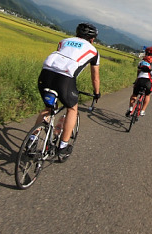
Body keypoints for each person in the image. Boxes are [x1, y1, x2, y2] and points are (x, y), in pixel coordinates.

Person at [32, 22, 101, 162]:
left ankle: (31, 141)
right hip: (65, 79)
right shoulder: (93, 51)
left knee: (48, 108)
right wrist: (97, 92)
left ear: (77, 33)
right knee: (72, 109)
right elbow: (95, 76)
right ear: (92, 39)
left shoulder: (64, 41)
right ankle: (62, 147)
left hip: (45, 74)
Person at [126, 46, 152, 118]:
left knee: (134, 94)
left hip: (140, 80)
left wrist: (136, 79)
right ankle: (142, 111)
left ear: (146, 53)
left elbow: (138, 71)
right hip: (149, 81)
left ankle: (130, 108)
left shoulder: (142, 61)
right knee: (147, 95)